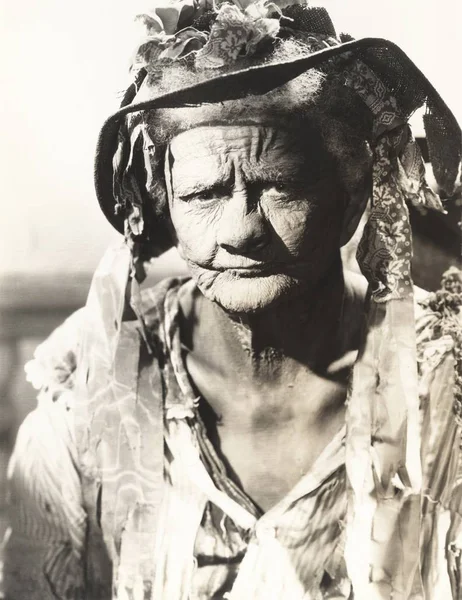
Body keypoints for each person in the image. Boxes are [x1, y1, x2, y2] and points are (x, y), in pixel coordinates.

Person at [3, 1, 462, 599]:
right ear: (163, 200)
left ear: (350, 196)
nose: (242, 229)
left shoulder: (445, 397)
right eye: (204, 193)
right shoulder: (90, 400)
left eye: (284, 184)